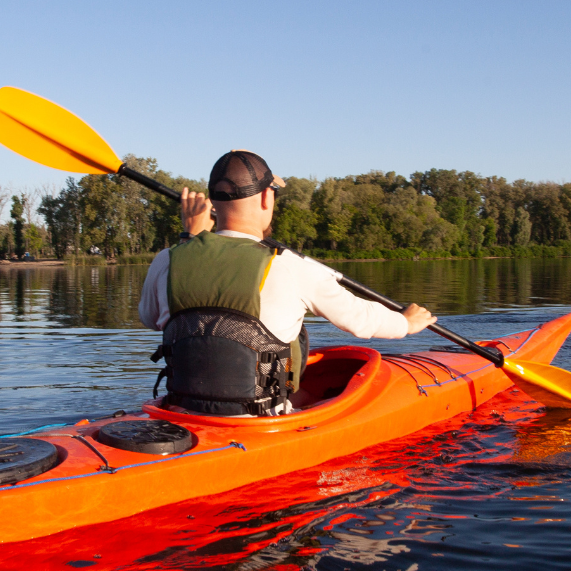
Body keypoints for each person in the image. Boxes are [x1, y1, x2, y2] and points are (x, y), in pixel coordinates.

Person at [138, 151, 438, 417]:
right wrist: (406, 323)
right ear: (267, 197)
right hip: (261, 420)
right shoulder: (292, 266)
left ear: (212, 201)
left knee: (304, 393)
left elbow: (150, 319)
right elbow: (362, 321)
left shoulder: (167, 259)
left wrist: (190, 241)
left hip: (183, 412)